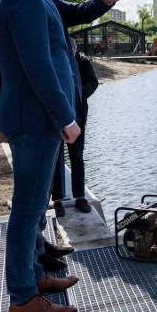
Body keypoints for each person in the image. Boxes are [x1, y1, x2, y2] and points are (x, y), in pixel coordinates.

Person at [0, 0, 124, 277]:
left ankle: (38, 257)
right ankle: (26, 285)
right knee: (30, 203)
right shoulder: (12, 0)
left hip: (47, 112)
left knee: (37, 196)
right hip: (32, 112)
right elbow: (4, 68)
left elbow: (76, 12)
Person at [0, 0, 81, 312]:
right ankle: (23, 297)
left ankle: (34, 276)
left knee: (33, 205)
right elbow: (37, 64)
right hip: (36, 116)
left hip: (30, 113)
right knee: (27, 209)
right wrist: (65, 117)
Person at [51, 40, 98, 215]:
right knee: (55, 159)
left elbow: (93, 82)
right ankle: (57, 200)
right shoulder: (55, 61)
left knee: (77, 157)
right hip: (56, 118)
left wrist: (76, 95)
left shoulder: (83, 62)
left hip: (77, 116)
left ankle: (80, 196)